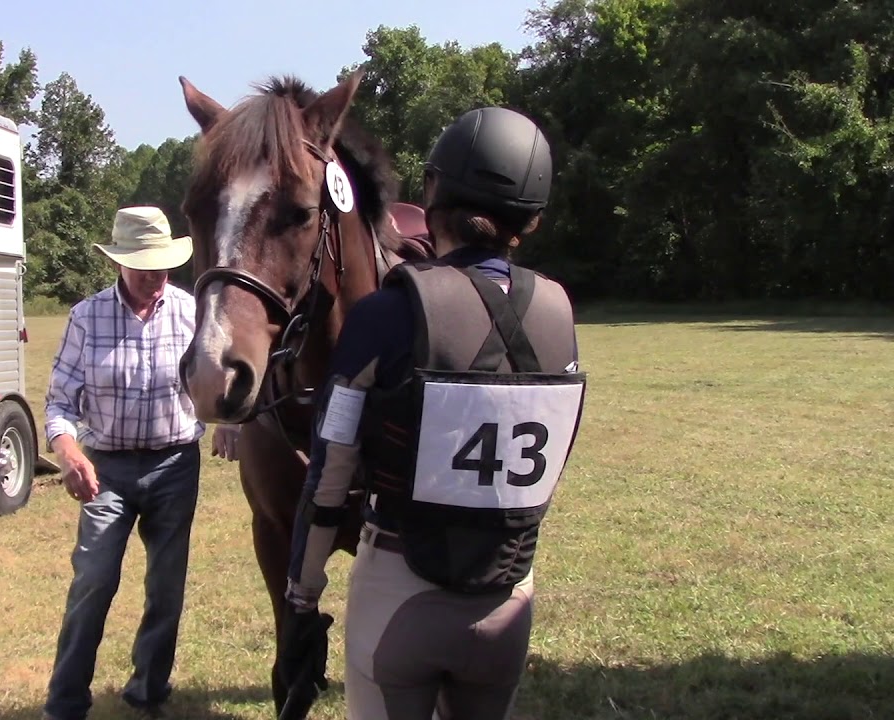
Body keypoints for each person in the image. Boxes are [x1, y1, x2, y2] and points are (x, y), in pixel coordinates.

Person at [275, 107, 587, 720]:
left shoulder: (388, 313)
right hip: (509, 596)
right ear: (531, 218)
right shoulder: (560, 311)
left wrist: (301, 597)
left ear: (434, 192)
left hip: (398, 592)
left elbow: (330, 475)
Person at [41, 205, 241, 720]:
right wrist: (68, 453)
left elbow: (220, 376)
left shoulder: (191, 311)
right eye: (144, 268)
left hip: (175, 465)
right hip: (105, 470)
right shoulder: (87, 317)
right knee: (93, 580)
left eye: (163, 267)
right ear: (119, 263)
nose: (156, 278)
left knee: (166, 587)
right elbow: (60, 403)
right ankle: (65, 703)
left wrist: (227, 420)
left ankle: (148, 691)